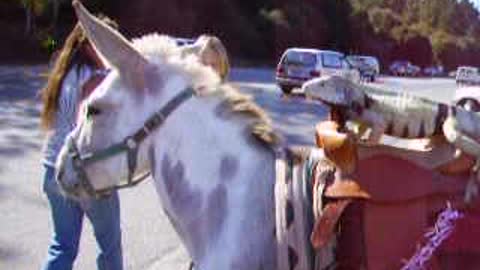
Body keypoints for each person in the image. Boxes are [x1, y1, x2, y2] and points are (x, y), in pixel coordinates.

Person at [40, 19, 123, 270]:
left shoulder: (63, 74)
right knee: (109, 247)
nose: (112, 51)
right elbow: (89, 133)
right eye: (107, 43)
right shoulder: (98, 80)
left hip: (52, 168)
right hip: (87, 174)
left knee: (62, 246)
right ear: (90, 45)